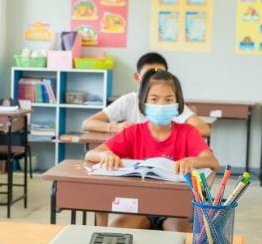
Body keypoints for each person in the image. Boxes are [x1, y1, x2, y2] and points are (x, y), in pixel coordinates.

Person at [85, 69, 218, 232]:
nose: (161, 105)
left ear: (178, 103)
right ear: (144, 102)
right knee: (116, 233)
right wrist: (105, 154)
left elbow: (212, 162)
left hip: (175, 210)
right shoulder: (133, 132)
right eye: (154, 99)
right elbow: (90, 154)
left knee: (180, 239)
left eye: (169, 100)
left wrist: (191, 160)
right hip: (139, 207)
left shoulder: (187, 132)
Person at [82, 52, 210, 136]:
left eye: (159, 75)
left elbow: (203, 129)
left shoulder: (171, 104)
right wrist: (116, 127)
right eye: (148, 76)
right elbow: (88, 123)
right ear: (137, 78)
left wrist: (169, 133)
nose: (154, 81)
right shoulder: (129, 101)